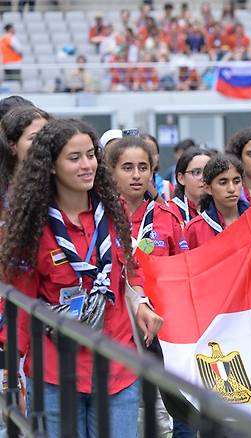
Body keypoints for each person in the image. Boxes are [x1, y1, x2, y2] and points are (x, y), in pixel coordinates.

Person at [0, 119, 162, 437]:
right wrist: (10, 367)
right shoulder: (32, 226)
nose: (87, 165)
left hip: (116, 365)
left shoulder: (113, 214)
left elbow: (129, 268)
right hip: (55, 372)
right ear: (50, 166)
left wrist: (140, 300)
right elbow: (20, 299)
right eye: (74, 158)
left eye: (91, 155)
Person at [107, 136, 187, 256]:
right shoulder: (102, 215)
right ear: (112, 173)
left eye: (143, 168)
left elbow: (181, 266)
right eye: (127, 168)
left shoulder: (167, 217)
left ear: (151, 173)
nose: (136, 175)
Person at [185, 154, 250, 249]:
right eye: (223, 183)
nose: (232, 189)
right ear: (207, 188)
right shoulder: (195, 229)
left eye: (236, 181)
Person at [0, 105, 50, 206]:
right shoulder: (4, 190)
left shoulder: (59, 183)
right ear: (12, 145)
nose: (43, 142)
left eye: (47, 135)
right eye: (34, 138)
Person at [171, 147, 214, 225]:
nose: (203, 178)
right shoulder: (169, 212)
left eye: (208, 172)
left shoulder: (222, 209)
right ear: (181, 178)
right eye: (197, 172)